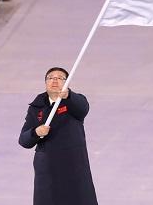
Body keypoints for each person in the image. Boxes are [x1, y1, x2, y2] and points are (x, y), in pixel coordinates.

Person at [19, 67, 98, 205]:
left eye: (60, 78)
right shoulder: (37, 106)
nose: (54, 80)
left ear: (67, 83)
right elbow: (24, 140)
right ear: (45, 83)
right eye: (50, 77)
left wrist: (68, 95)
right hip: (47, 169)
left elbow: (83, 108)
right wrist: (36, 132)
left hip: (73, 165)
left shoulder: (74, 102)